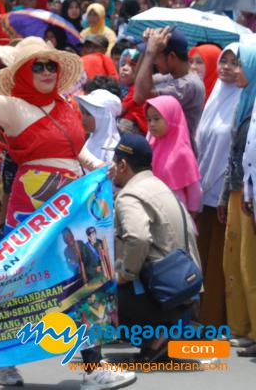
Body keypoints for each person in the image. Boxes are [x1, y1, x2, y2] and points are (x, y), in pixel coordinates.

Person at [0, 14, 134, 388]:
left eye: (52, 64)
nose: (48, 71)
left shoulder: (66, 104)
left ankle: (92, 366)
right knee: (25, 283)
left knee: (84, 277)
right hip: (33, 206)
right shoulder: (14, 107)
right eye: (39, 66)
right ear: (22, 73)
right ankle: (1, 361)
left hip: (73, 203)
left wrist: (100, 167)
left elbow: (76, 151)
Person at [111, 133, 201, 361]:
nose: (112, 168)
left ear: (123, 165)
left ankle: (157, 334)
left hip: (164, 295)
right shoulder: (160, 187)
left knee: (96, 289)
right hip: (184, 292)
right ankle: (162, 333)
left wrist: (124, 275)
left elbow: (138, 238)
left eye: (114, 163)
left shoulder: (129, 195)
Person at [195, 43, 240, 327]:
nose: (226, 67)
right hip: (203, 190)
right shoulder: (214, 96)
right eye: (223, 61)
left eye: (234, 62)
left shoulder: (245, 100)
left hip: (224, 191)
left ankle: (217, 319)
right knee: (203, 255)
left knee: (220, 262)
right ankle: (200, 316)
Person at [223, 43, 256, 355]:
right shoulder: (244, 101)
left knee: (251, 264)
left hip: (250, 195)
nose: (236, 71)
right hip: (238, 192)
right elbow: (235, 155)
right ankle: (243, 326)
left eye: (241, 64)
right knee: (234, 261)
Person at [133, 27, 205, 145]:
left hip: (178, 155)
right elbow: (138, 85)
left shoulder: (189, 84)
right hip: (166, 149)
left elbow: (141, 96)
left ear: (171, 56)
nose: (153, 62)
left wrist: (150, 52)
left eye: (156, 57)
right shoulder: (173, 76)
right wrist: (147, 48)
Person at [145, 95, 201, 214]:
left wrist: (191, 215)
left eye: (156, 119)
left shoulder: (182, 152)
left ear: (171, 118)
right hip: (152, 209)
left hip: (175, 213)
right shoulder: (150, 146)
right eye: (149, 120)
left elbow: (194, 190)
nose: (152, 124)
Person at [76, 89, 121, 164]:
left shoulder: (112, 150)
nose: (83, 118)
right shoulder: (90, 141)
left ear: (103, 118)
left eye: (88, 114)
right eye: (82, 113)